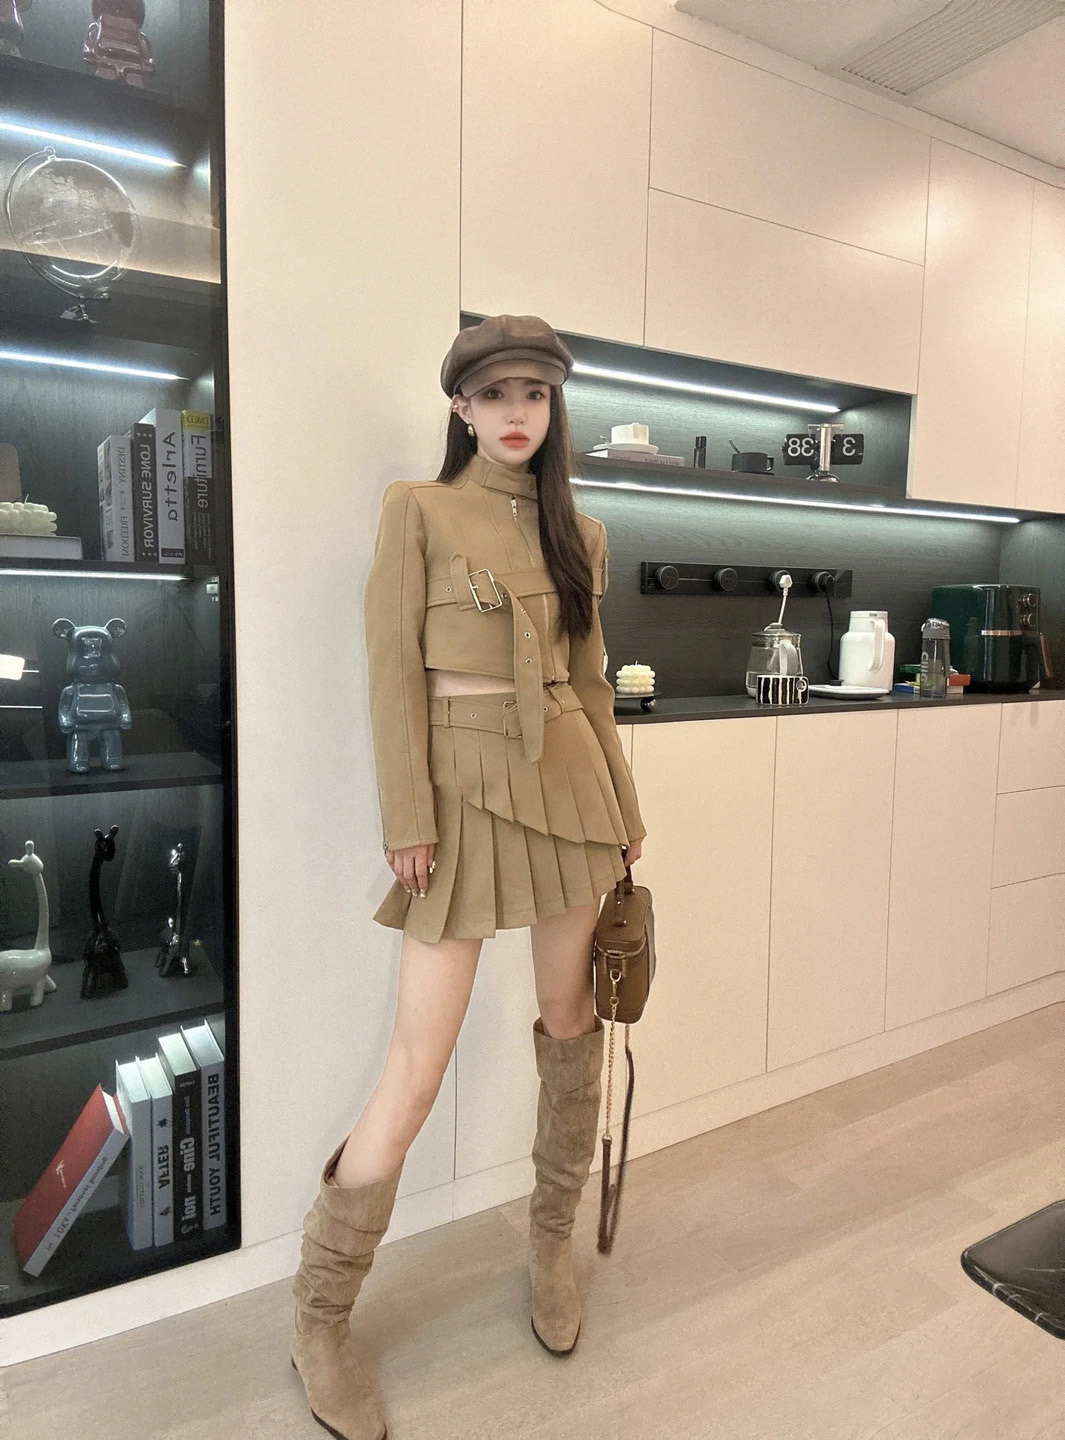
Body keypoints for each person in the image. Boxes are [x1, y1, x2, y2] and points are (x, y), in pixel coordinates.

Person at [290, 314, 647, 1440]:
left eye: (533, 393)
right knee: (417, 1065)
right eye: (494, 393)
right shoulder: (418, 509)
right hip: (457, 808)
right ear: (460, 407)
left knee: (570, 1029)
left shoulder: (582, 533)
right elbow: (391, 672)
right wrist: (407, 815)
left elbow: (590, 686)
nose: (515, 412)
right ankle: (319, 1319)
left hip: (572, 797)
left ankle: (552, 1247)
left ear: (553, 407)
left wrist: (625, 816)